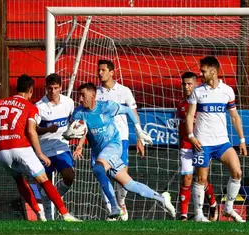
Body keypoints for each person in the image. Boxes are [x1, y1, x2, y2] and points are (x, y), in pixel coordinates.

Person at [0, 74, 80, 222]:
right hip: (21, 147)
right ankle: (65, 214)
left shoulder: (0, 102)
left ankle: (39, 213)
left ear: (16, 88)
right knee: (43, 180)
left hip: (1, 150)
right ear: (31, 91)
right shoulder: (31, 107)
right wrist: (40, 154)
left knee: (19, 180)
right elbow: (30, 131)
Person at [71, 82, 176, 219]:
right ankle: (161, 198)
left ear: (93, 95)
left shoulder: (106, 107)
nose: (80, 99)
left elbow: (128, 110)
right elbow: (82, 130)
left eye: (83, 95)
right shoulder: (79, 113)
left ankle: (115, 207)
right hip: (99, 151)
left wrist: (138, 132)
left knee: (98, 169)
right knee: (129, 185)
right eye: (79, 95)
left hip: (114, 146)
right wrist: (79, 145)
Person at [186, 56, 248, 222]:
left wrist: (242, 140)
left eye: (203, 70)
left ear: (213, 71)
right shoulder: (198, 91)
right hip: (202, 143)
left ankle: (228, 208)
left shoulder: (227, 91)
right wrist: (191, 136)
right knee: (201, 179)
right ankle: (199, 215)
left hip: (222, 143)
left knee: (237, 172)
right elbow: (190, 115)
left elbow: (234, 117)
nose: (200, 73)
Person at [94, 59, 144, 221]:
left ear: (111, 72)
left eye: (103, 70)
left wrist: (139, 137)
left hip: (120, 139)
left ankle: (121, 203)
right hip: (100, 140)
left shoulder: (124, 91)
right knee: (103, 174)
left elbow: (133, 113)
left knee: (122, 174)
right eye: (99, 70)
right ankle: (111, 209)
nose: (100, 73)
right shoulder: (95, 93)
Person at [177, 72, 218, 221]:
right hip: (186, 145)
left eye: (189, 84)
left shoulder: (202, 102)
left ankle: (213, 203)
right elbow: (181, 127)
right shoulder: (181, 104)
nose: (186, 87)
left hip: (202, 145)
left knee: (201, 179)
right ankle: (183, 215)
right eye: (184, 84)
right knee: (187, 178)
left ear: (196, 84)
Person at [35, 73, 76, 220]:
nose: (53, 91)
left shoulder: (68, 102)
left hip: (61, 146)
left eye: (56, 88)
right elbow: (32, 129)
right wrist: (47, 129)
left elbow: (74, 121)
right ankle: (47, 217)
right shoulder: (39, 107)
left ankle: (54, 197)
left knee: (69, 176)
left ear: (60, 87)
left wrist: (75, 131)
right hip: (44, 149)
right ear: (46, 88)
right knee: (44, 183)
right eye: (50, 88)